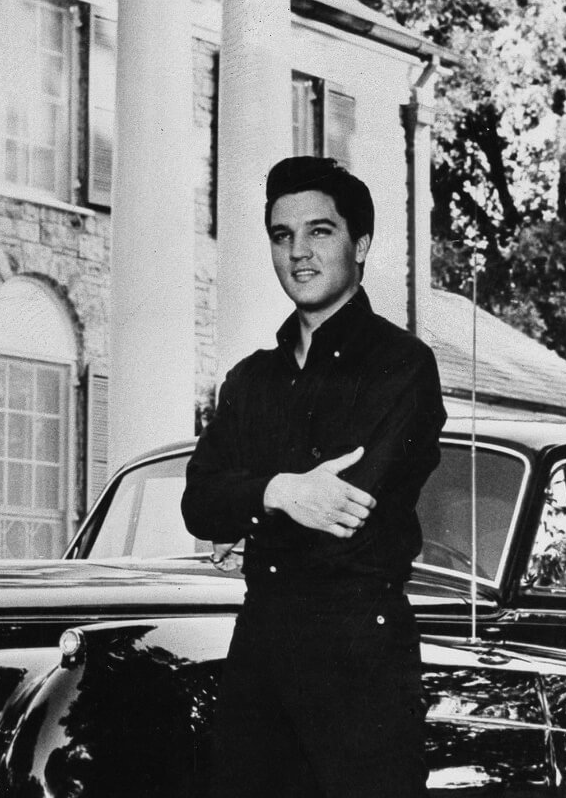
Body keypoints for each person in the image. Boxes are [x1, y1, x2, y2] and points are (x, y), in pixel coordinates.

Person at [181, 156, 446, 798]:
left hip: (359, 660)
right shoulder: (250, 379)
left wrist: (246, 504)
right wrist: (282, 492)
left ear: (361, 245)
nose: (298, 252)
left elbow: (350, 515)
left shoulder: (402, 366)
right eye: (281, 235)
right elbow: (197, 504)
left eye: (319, 231)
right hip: (259, 654)